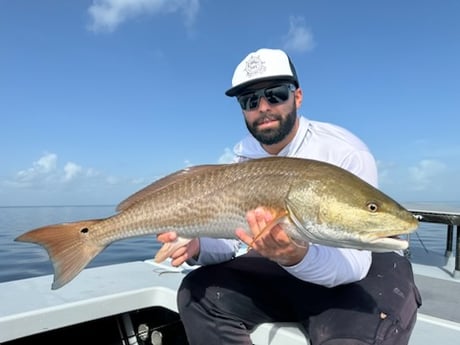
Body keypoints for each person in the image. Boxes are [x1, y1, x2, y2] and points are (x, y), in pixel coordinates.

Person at [157, 48, 421, 345]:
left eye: (276, 94)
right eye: (250, 100)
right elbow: (236, 239)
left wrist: (298, 256)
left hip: (358, 273)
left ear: (297, 96)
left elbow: (354, 264)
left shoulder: (344, 151)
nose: (263, 107)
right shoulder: (242, 161)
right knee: (197, 293)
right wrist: (198, 245)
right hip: (284, 270)